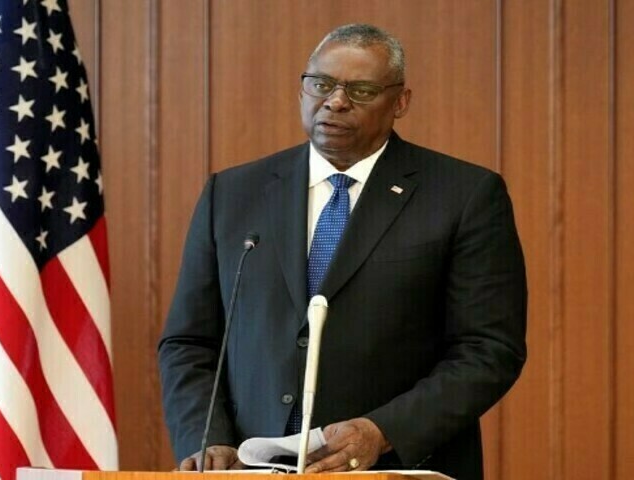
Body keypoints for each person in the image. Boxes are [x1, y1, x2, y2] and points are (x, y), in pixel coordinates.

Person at [158, 23, 526, 480]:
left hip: (397, 466)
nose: (335, 101)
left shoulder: (463, 194)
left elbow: (489, 349)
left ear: (400, 102)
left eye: (362, 89)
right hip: (248, 469)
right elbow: (189, 341)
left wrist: (382, 431)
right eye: (321, 84)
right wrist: (207, 436)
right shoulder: (232, 194)